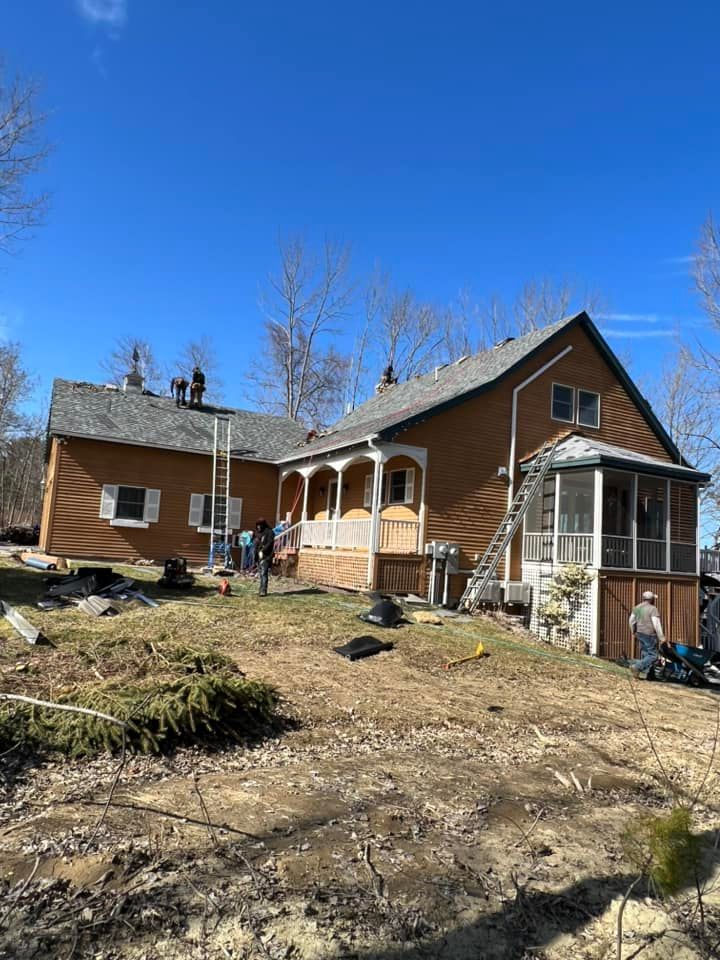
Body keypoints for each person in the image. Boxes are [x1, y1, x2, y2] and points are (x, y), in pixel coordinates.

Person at [627, 590, 665, 679]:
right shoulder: (652, 609)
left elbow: (631, 620)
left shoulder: (637, 608)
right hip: (649, 634)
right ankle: (637, 667)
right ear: (651, 599)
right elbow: (656, 624)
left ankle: (650, 675)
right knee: (653, 655)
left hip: (640, 633)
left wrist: (633, 631)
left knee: (645, 654)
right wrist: (661, 637)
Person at [255, 518, 274, 597]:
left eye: (260, 525)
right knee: (261, 573)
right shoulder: (260, 533)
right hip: (259, 555)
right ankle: (261, 589)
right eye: (257, 525)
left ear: (263, 525)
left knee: (264, 573)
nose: (258, 527)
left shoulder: (270, 532)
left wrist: (262, 551)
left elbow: (269, 543)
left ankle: (263, 590)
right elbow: (258, 543)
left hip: (266, 555)